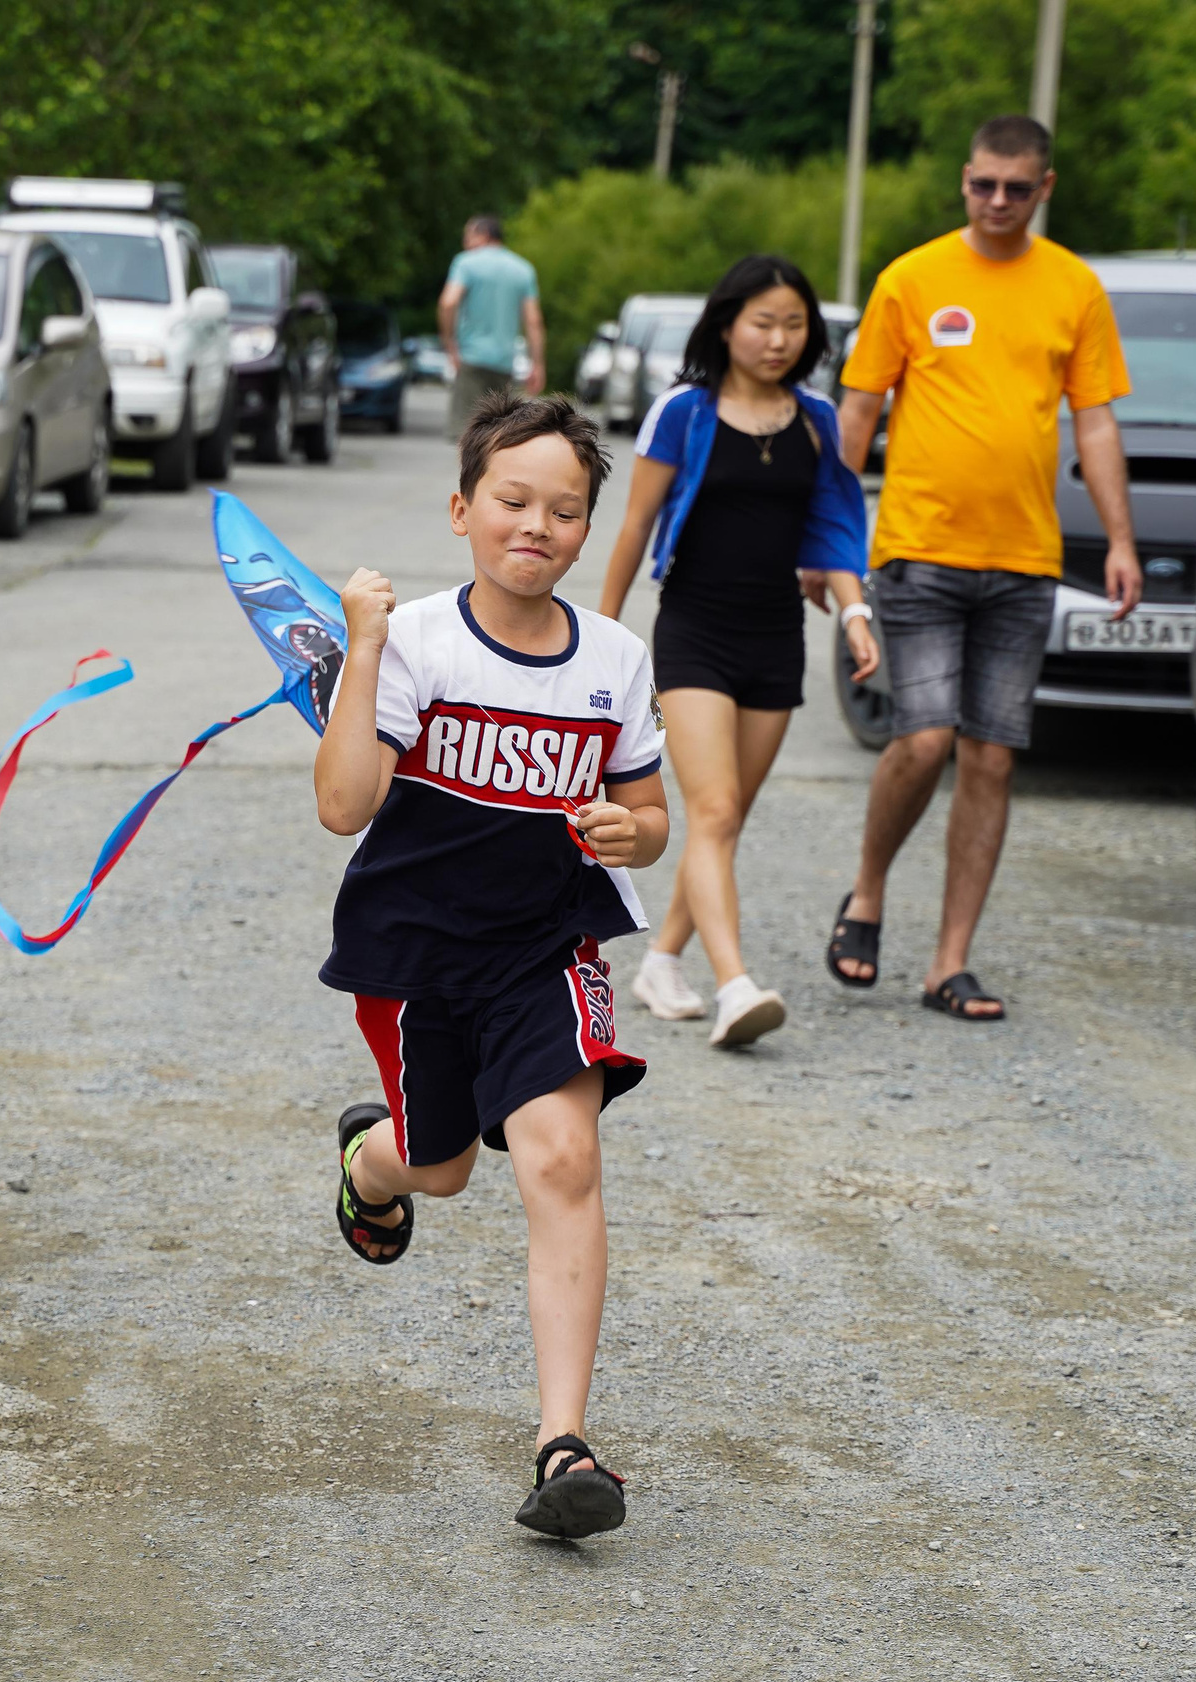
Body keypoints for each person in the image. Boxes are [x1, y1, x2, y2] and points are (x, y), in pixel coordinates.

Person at [313, 393, 668, 1539]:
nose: (538, 526)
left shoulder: (613, 659)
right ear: (463, 509)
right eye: (513, 502)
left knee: (561, 1160)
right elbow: (342, 806)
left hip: (544, 947)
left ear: (584, 532)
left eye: (565, 511)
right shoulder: (413, 639)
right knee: (442, 1167)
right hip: (419, 956)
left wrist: (634, 832)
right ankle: (372, 1161)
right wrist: (363, 649)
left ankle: (563, 1442)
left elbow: (650, 806)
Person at [817, 113, 1138, 1023]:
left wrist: (1119, 540)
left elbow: (1099, 424)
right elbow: (857, 412)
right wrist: (829, 539)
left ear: (1045, 188)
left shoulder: (1073, 286)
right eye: (983, 185)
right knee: (921, 740)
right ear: (964, 181)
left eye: (1017, 187)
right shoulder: (912, 279)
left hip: (1024, 561)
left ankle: (949, 962)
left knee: (990, 759)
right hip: (918, 548)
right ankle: (868, 892)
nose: (998, 201)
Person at [597, 254, 871, 1048]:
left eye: (794, 324)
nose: (779, 339)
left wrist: (854, 614)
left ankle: (662, 960)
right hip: (694, 630)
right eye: (763, 322)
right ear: (726, 325)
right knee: (713, 809)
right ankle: (735, 984)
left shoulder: (816, 420)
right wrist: (603, 638)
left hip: (776, 635)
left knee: (726, 818)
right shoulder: (683, 412)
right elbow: (634, 527)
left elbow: (834, 530)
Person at [438, 216, 545, 441]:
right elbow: (533, 321)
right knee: (498, 435)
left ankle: (468, 477)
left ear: (483, 235)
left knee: (466, 434)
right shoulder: (523, 269)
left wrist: (449, 343)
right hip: (504, 364)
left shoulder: (466, 263)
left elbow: (448, 302)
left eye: (468, 237)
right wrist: (537, 364)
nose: (465, 243)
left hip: (471, 359)